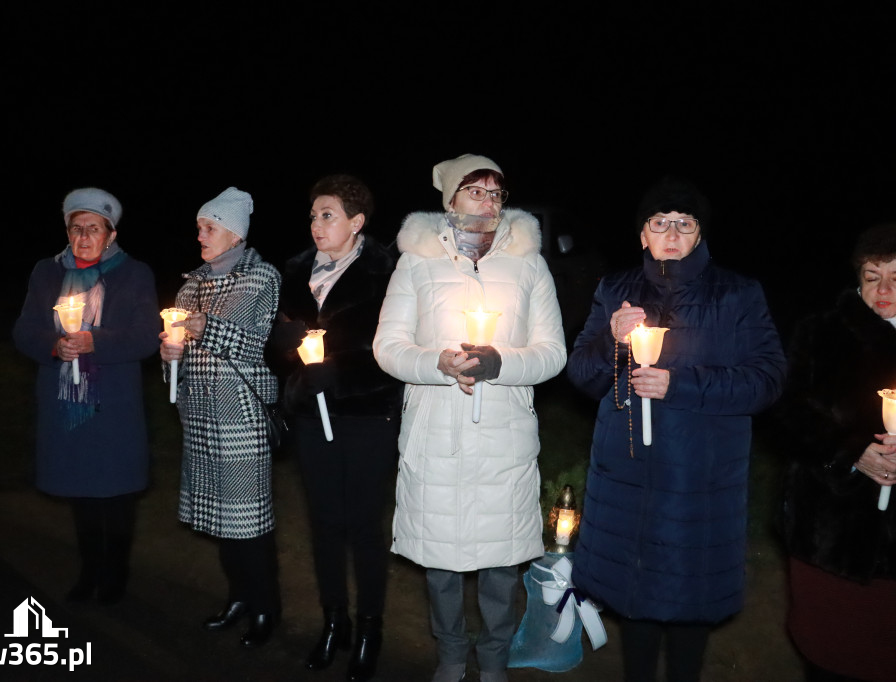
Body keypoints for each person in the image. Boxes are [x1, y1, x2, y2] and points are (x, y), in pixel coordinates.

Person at [567, 177, 786, 682]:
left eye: (683, 224)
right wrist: (612, 340)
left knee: (690, 597)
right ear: (643, 235)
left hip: (699, 476)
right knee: (635, 596)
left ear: (699, 235)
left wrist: (680, 385)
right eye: (659, 223)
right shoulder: (615, 289)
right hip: (626, 474)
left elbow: (767, 379)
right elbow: (582, 375)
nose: (670, 233)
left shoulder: (738, 293)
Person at [373, 154, 567, 682]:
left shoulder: (529, 263)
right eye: (475, 190)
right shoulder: (416, 261)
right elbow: (388, 347)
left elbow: (553, 353)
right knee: (441, 559)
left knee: (503, 562)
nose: (487, 202)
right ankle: (453, 655)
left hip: (503, 432)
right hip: (436, 429)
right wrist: (436, 364)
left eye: (496, 193)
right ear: (450, 199)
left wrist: (501, 363)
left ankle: (495, 658)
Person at [270, 174, 403, 681]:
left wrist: (339, 370)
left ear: (357, 222)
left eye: (327, 215)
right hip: (311, 413)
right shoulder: (298, 270)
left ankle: (370, 627)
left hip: (367, 412)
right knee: (324, 520)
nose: (316, 224)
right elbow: (281, 347)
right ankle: (335, 621)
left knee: (364, 524)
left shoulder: (385, 270)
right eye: (312, 215)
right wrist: (285, 345)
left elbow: (395, 346)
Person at [13, 187, 159, 604]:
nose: (83, 237)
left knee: (114, 493)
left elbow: (145, 336)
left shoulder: (134, 274)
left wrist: (95, 341)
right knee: (81, 491)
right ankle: (89, 570)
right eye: (76, 228)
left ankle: (114, 575)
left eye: (93, 228)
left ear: (110, 233)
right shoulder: (47, 272)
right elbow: (24, 331)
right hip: (65, 402)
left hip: (112, 404)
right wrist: (54, 346)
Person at [160, 187, 282, 648]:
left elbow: (253, 344)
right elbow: (180, 357)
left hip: (241, 417)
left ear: (234, 233)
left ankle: (266, 607)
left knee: (248, 523)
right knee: (221, 522)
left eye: (208, 228)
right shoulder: (191, 284)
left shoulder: (260, 277)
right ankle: (238, 598)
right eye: (199, 228)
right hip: (200, 417)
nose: (200, 235)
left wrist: (201, 327)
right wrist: (170, 355)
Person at [775, 224, 896, 682]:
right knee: (832, 656)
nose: (883, 290)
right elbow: (787, 416)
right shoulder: (821, 335)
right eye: (872, 276)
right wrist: (850, 452)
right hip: (830, 533)